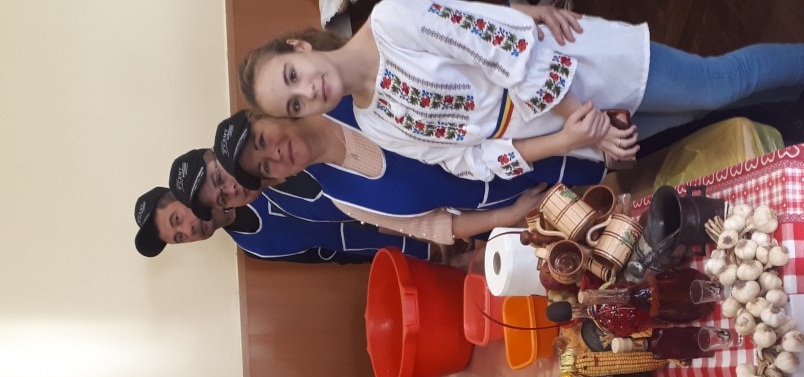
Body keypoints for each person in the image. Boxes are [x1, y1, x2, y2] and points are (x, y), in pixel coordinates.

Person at [239, 0, 804, 180]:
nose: (309, 92)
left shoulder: (390, 20)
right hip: (569, 130)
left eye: (292, 77)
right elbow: (468, 162)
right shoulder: (375, 122)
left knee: (720, 80)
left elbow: (501, 47)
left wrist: (585, 118)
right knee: (709, 113)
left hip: (576, 73)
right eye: (294, 104)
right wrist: (569, 140)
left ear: (299, 47)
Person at [213, 101, 605, 245]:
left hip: (538, 124)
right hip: (544, 201)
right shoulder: (343, 200)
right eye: (264, 167)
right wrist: (508, 215)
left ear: (268, 114)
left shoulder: (347, 96)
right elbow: (436, 227)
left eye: (262, 140)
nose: (275, 154)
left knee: (624, 131)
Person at [131, 185, 423, 262]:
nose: (189, 230)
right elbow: (335, 255)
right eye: (179, 237)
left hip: (414, 203)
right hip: (415, 251)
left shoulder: (255, 177)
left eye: (177, 220)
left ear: (182, 196)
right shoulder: (255, 249)